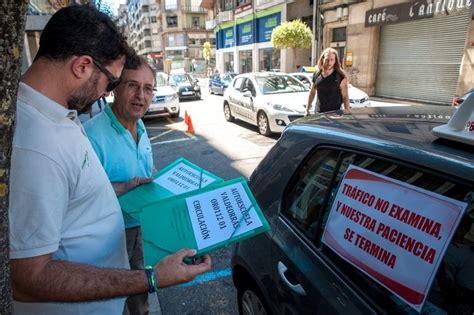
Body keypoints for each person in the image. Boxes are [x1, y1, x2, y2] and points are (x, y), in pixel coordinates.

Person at [9, 5, 211, 315]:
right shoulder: (35, 143)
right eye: (113, 83)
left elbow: (73, 195)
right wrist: (152, 277)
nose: (107, 93)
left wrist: (122, 188)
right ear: (82, 66)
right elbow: (29, 278)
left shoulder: (58, 114)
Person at [84, 55, 156, 315]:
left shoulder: (141, 125)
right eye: (133, 86)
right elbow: (83, 197)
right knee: (112, 298)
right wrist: (124, 188)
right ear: (115, 88)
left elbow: (147, 169)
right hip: (111, 235)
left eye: (148, 88)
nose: (141, 96)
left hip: (143, 226)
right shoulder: (91, 135)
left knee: (141, 291)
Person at [305, 47, 351, 115]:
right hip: (318, 113)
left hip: (335, 114)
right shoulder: (317, 74)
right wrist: (307, 110)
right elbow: (312, 92)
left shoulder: (340, 76)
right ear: (322, 59)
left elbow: (345, 96)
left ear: (335, 61)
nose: (329, 62)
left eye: (331, 60)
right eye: (327, 60)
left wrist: (347, 109)